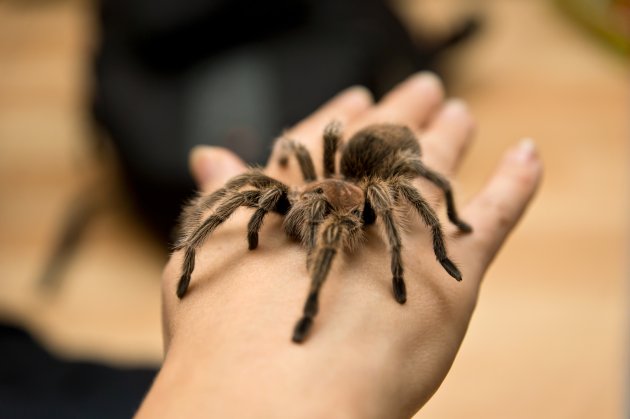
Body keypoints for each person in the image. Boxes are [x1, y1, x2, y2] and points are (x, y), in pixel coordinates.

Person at [135, 72, 542, 418]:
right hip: (343, 174)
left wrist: (420, 255)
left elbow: (408, 185)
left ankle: (311, 309)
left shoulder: (379, 191)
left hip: (374, 173)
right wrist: (190, 251)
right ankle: (189, 251)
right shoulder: (298, 189)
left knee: (393, 189)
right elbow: (275, 165)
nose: (304, 212)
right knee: (245, 187)